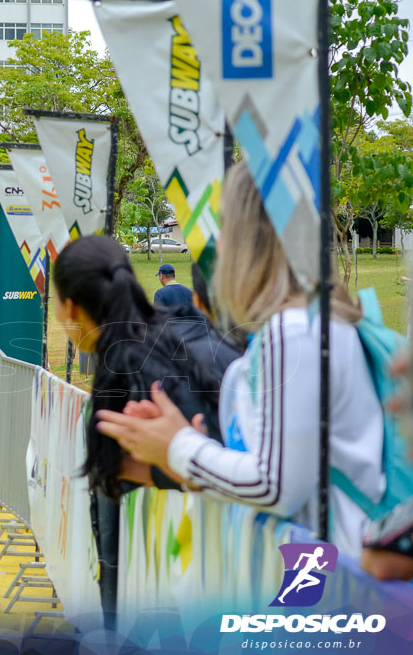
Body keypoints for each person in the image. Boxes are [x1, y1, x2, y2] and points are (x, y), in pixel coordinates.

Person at [94, 164, 384, 559]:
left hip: (330, 582)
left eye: (223, 226)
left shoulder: (294, 331)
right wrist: (179, 450)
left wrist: (179, 446)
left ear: (247, 239)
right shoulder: (297, 327)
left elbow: (274, 486)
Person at [51, 235, 236, 497]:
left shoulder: (134, 370)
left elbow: (127, 466)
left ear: (70, 307)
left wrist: (158, 468)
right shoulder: (180, 326)